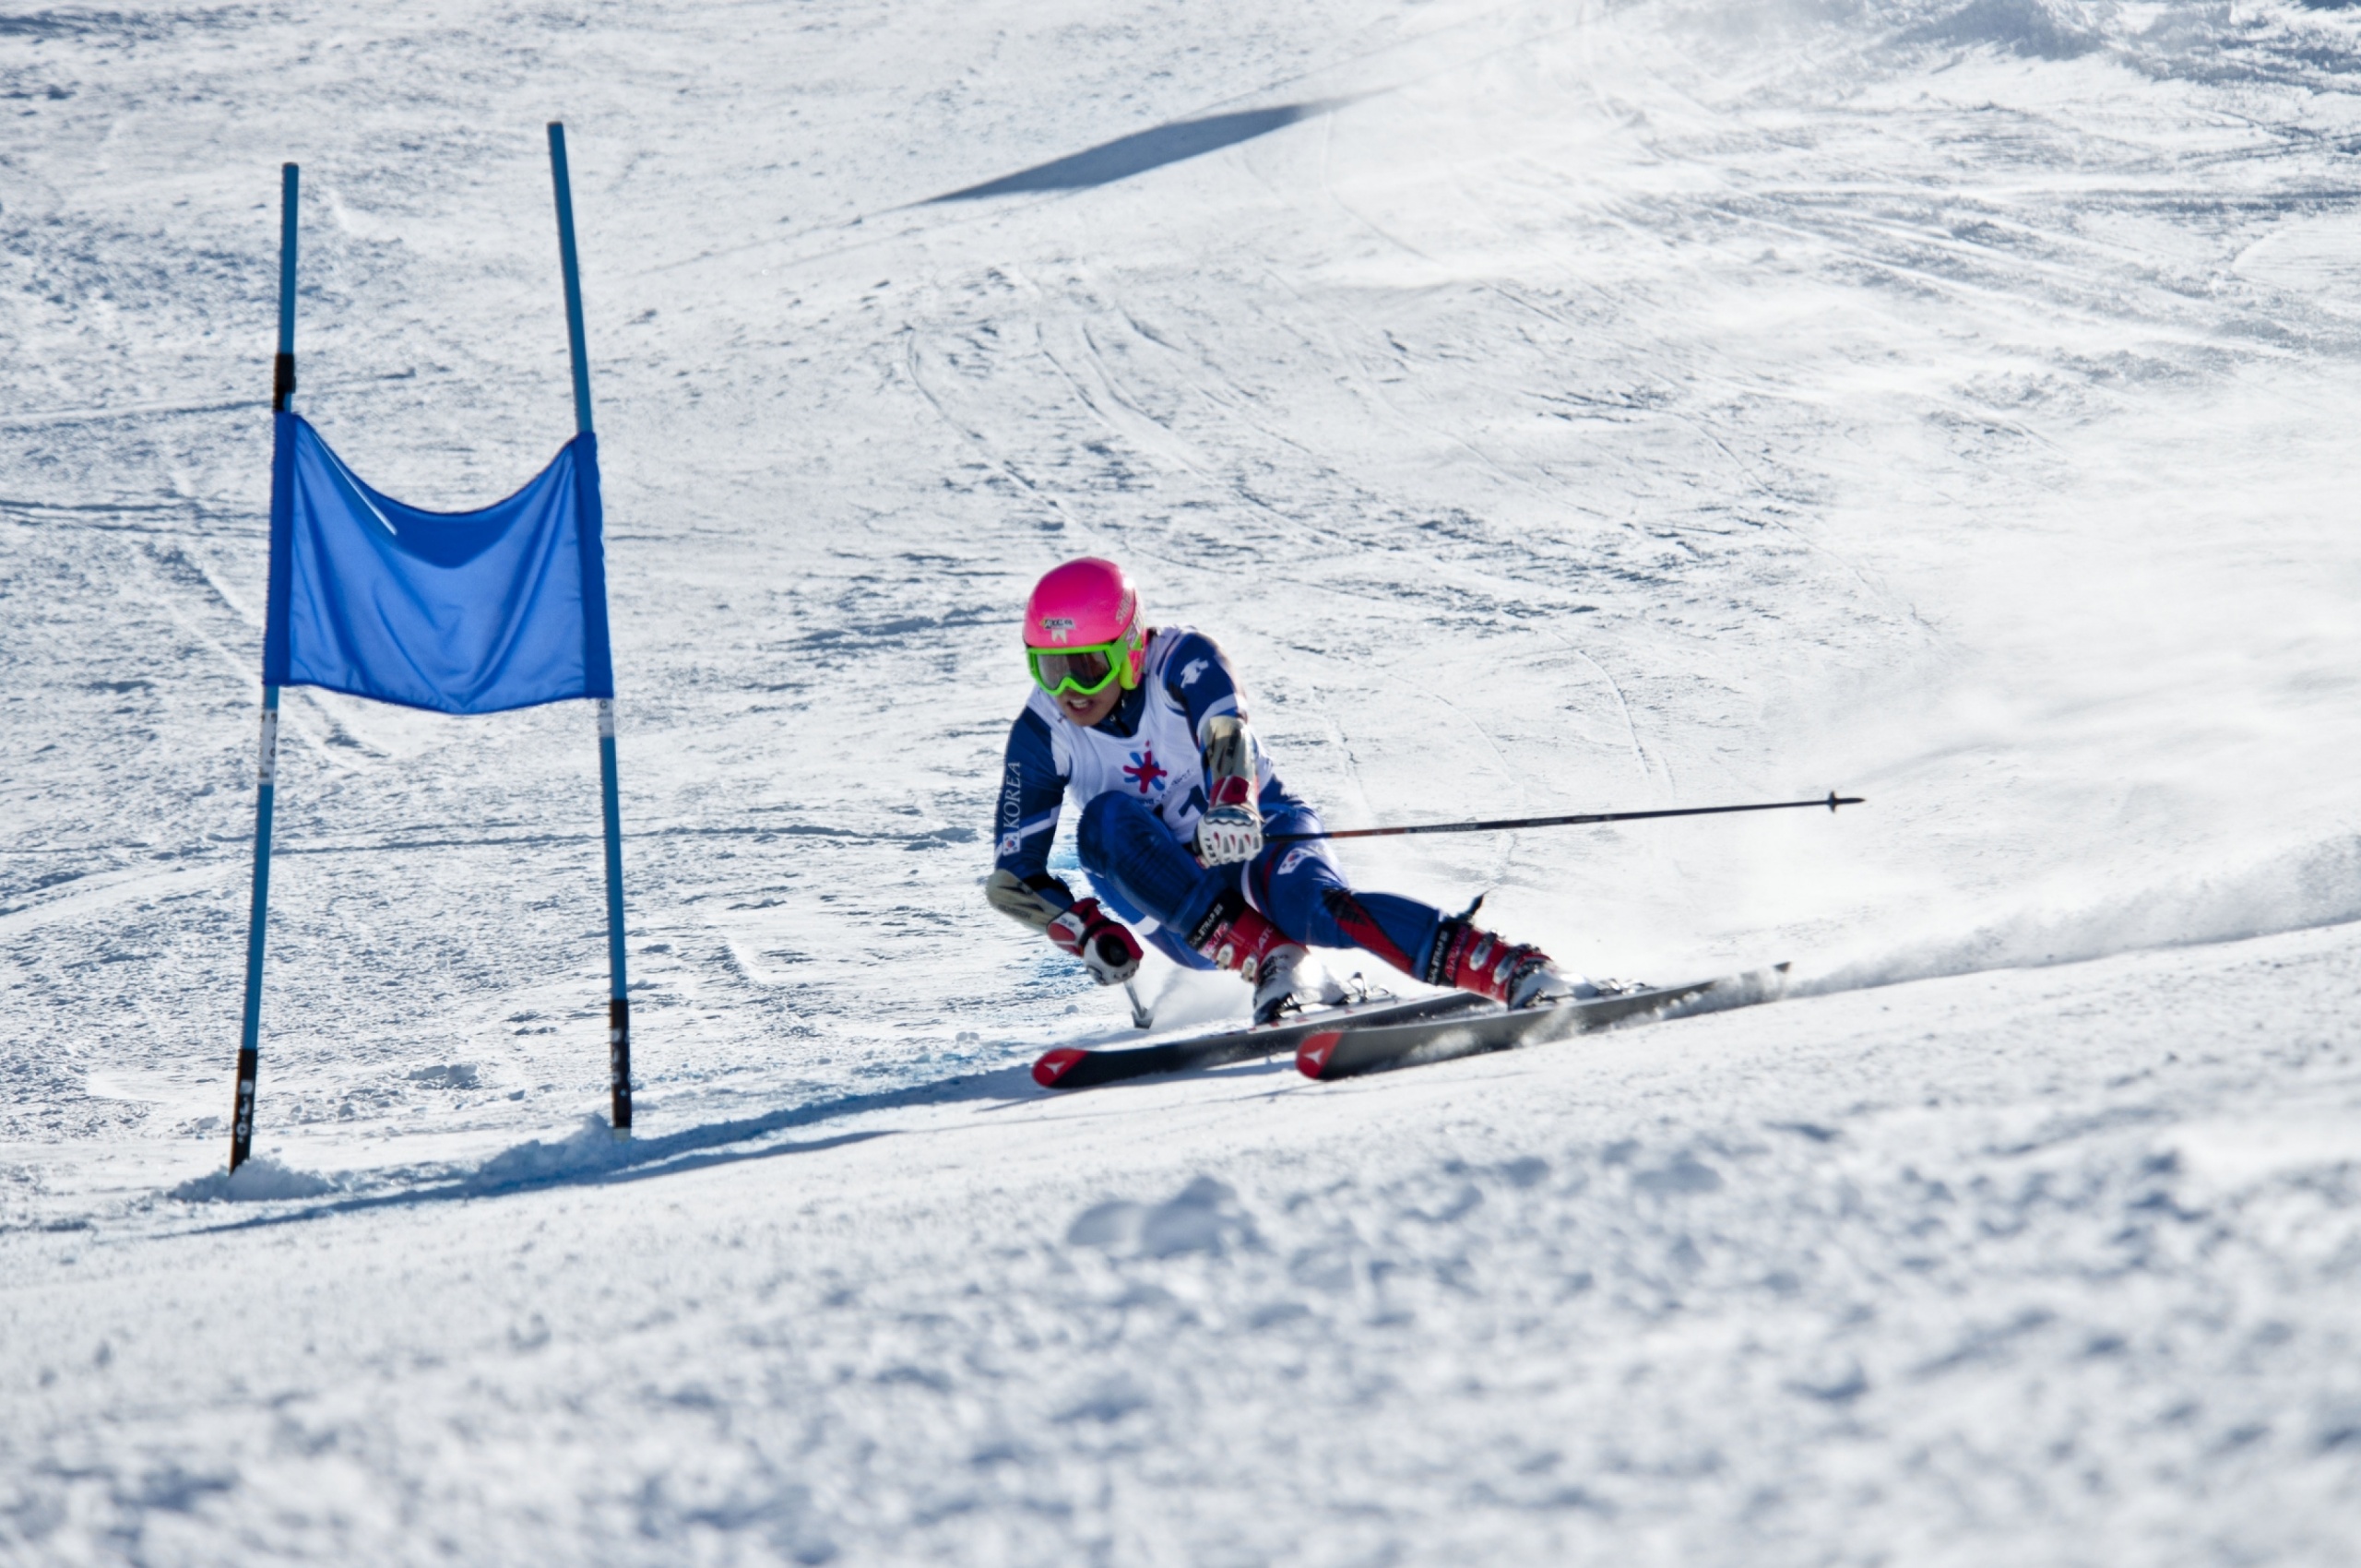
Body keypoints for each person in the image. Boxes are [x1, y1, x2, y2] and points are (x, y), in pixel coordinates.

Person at [986, 556, 1590, 1023]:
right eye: (1050, 667)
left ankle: (1513, 969)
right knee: (1104, 824)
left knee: (1318, 908)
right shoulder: (1042, 732)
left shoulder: (1183, 660)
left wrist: (1231, 799)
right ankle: (1276, 961)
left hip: (1254, 834)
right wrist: (1087, 930)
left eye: (1088, 666)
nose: (1071, 690)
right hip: (1171, 903)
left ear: (1130, 647)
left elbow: (1225, 727)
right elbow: (1014, 877)